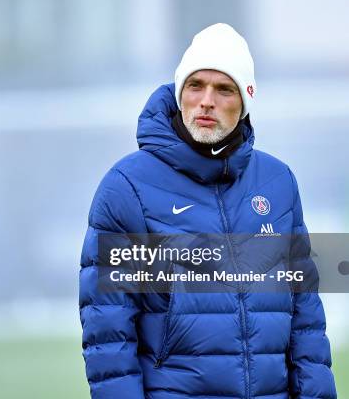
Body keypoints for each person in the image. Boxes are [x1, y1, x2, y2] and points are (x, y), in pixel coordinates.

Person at [79, 23, 337, 398]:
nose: (206, 100)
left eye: (224, 89)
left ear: (245, 100)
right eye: (196, 85)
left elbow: (306, 319)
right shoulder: (127, 187)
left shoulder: (278, 183)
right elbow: (108, 337)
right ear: (180, 91)